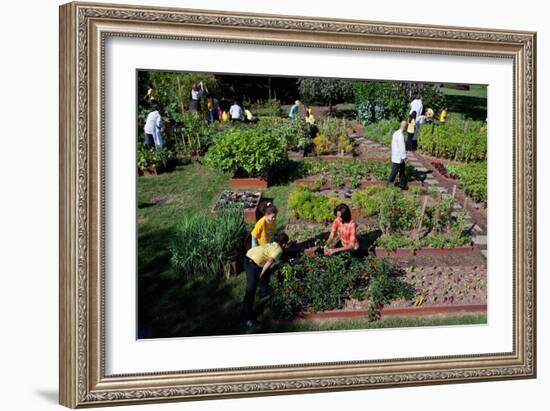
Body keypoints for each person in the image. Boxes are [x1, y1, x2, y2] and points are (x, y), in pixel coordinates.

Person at [241, 232, 290, 327]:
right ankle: (246, 319)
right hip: (252, 263)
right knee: (250, 290)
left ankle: (264, 291)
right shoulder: (279, 250)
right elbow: (270, 262)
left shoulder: (272, 244)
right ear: (284, 243)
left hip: (249, 256)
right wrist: (261, 274)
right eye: (286, 243)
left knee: (267, 271)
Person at [387, 120, 408, 190]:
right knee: (394, 171)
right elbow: (402, 147)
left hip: (396, 155)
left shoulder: (395, 133)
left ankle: (402, 184)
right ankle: (389, 184)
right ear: (405, 127)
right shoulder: (400, 135)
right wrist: (404, 157)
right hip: (398, 157)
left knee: (402, 170)